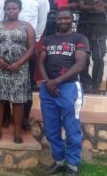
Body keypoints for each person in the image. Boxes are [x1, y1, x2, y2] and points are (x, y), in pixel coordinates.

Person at [39, 9, 89, 176]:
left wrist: (56, 82)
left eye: (66, 18)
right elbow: (41, 62)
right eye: (60, 18)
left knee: (71, 127)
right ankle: (59, 161)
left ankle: (72, 165)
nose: (63, 21)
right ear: (56, 20)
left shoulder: (79, 38)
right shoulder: (48, 39)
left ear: (72, 19)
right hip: (48, 89)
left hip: (69, 88)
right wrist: (47, 81)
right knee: (51, 129)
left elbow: (80, 64)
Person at [4, 0, 49, 130]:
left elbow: (42, 22)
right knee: (7, 81)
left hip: (29, 49)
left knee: (27, 84)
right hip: (8, 47)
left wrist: (33, 43)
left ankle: (23, 117)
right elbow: (3, 20)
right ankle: (6, 116)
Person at [0, 0, 35, 143]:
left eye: (14, 8)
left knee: (18, 101)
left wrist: (18, 63)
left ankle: (17, 133)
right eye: (8, 8)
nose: (10, 11)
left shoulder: (27, 26)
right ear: (4, 10)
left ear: (19, 10)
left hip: (19, 68)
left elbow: (31, 47)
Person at [77, 0, 107, 94]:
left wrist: (103, 5)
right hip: (84, 28)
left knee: (99, 58)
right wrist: (95, 7)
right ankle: (86, 83)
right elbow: (81, 5)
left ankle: (96, 84)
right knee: (83, 57)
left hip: (100, 29)